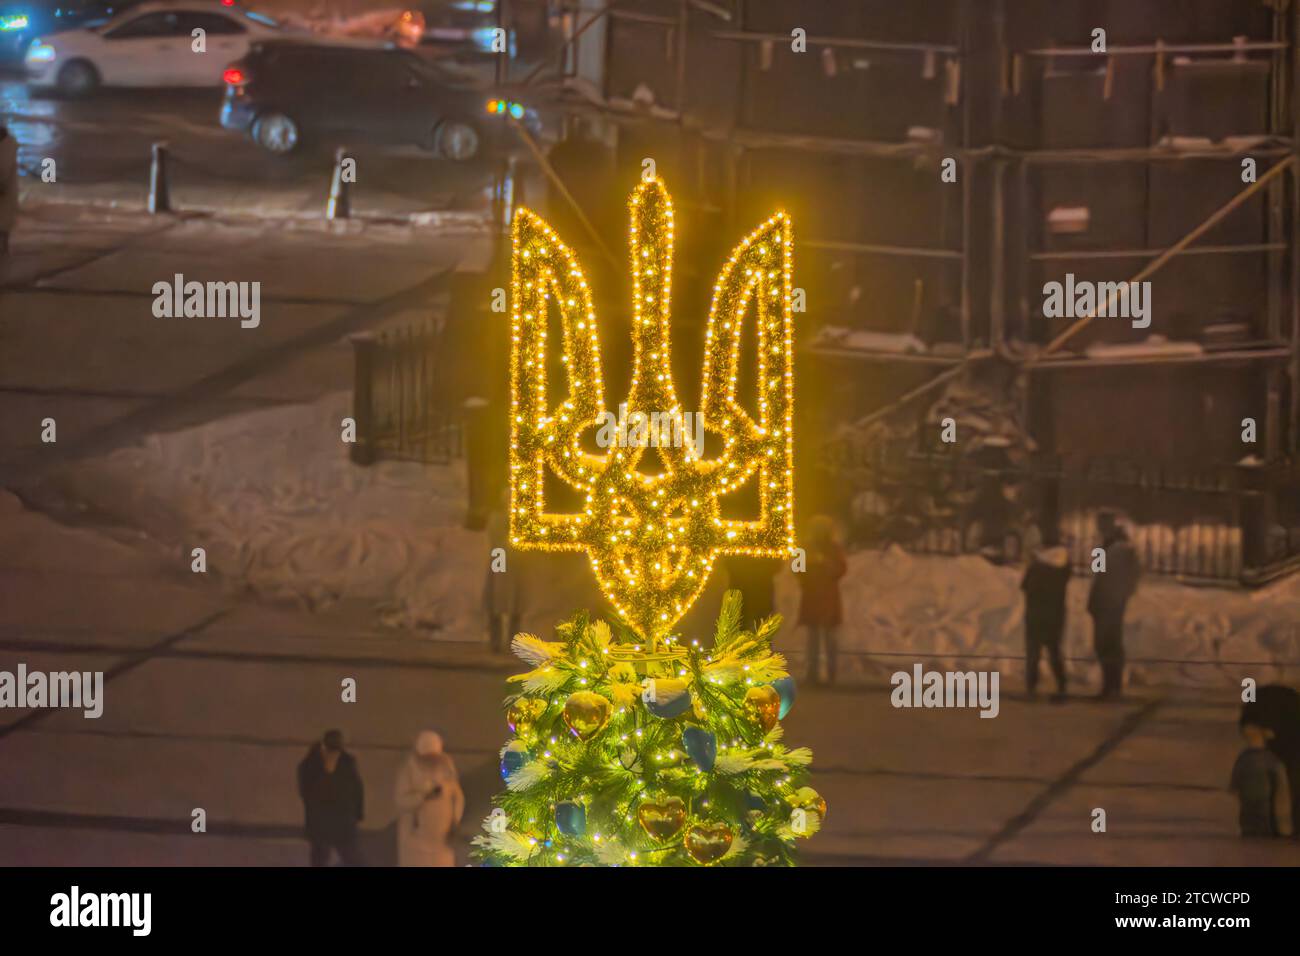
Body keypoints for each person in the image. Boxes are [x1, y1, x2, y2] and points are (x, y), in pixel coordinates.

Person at [1086, 511, 1140, 699]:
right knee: (1104, 644)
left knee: (1110, 644)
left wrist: (1120, 596)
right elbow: (1097, 575)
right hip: (1105, 601)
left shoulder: (1123, 548)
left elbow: (1130, 578)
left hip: (1112, 602)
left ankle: (1113, 686)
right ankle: (1109, 686)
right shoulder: (1105, 546)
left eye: (1101, 525)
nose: (1099, 529)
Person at [395, 731, 464, 867]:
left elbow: (457, 798)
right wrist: (423, 796)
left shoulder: (446, 767)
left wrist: (455, 821)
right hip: (416, 839)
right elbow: (401, 801)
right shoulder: (409, 770)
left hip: (442, 839)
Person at [296, 729, 365, 866]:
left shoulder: (347, 762)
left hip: (343, 820)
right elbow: (306, 793)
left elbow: (357, 790)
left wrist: (358, 813)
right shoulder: (310, 765)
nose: (334, 754)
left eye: (336, 751)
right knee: (321, 857)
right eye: (332, 750)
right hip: (322, 821)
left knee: (350, 856)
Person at [797, 515, 848, 686]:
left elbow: (841, 569)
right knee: (815, 637)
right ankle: (815, 673)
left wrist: (825, 566)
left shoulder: (832, 548)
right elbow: (797, 569)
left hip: (824, 595)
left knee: (826, 637)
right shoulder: (806, 547)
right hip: (817, 594)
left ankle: (828, 673)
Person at [1021, 531, 1071, 701]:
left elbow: (1026, 586)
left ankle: (1032, 688)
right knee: (1055, 651)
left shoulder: (1037, 566)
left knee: (1033, 652)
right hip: (1056, 614)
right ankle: (1062, 685)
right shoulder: (1064, 565)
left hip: (1036, 613)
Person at [1230, 703, 1293, 838]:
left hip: (1259, 808)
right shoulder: (1263, 759)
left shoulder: (1267, 760)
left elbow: (1281, 791)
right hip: (1254, 807)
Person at [484, 491, 525, 654]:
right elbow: (495, 540)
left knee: (516, 601)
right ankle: (496, 641)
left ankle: (512, 641)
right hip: (501, 555)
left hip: (516, 561)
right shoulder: (497, 518)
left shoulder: (519, 518)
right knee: (497, 598)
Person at [0, 123, 17, 266]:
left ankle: (5, 248)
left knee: (4, 221)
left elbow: (3, 173)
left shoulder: (6, 148)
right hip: (8, 190)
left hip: (5, 190)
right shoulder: (10, 145)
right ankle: (5, 248)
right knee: (5, 221)